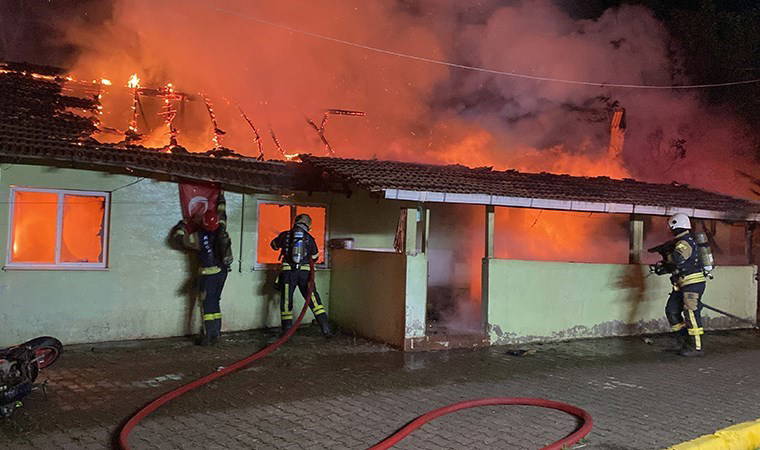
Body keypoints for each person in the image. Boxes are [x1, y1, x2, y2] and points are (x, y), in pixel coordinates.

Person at [171, 193, 232, 346]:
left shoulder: (198, 236)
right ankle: (216, 333)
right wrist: (221, 198)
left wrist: (181, 226)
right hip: (222, 272)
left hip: (208, 274)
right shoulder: (221, 228)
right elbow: (222, 212)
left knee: (207, 305)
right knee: (215, 302)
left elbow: (179, 241)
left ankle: (208, 336)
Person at [649, 213, 707, 357]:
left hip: (692, 283)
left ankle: (696, 347)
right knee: (672, 311)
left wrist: (667, 254)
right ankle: (683, 343)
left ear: (675, 225)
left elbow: (678, 259)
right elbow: (677, 265)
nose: (670, 230)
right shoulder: (680, 242)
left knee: (691, 313)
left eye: (671, 227)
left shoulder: (684, 242)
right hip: (681, 284)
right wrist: (663, 267)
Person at [270, 213, 333, 337]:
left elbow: (274, 246)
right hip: (305, 274)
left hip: (288, 274)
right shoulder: (309, 238)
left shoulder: (285, 235)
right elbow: (315, 257)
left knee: (286, 301)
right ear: (308, 225)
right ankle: (326, 329)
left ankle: (287, 331)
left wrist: (281, 240)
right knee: (313, 300)